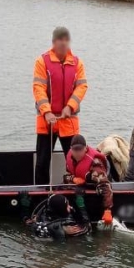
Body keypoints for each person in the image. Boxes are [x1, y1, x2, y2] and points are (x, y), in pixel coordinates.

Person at [33, 27, 89, 185]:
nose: (63, 43)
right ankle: (40, 194)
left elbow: (82, 87)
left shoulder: (77, 63)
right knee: (42, 162)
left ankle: (73, 193)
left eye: (66, 40)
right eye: (60, 40)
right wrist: (47, 112)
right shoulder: (42, 61)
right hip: (47, 121)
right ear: (53, 42)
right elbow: (38, 88)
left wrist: (69, 107)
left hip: (68, 121)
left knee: (74, 163)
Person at [64, 134, 114, 223]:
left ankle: (86, 218)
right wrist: (73, 178)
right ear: (71, 149)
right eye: (75, 149)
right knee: (63, 188)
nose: (78, 152)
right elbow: (66, 176)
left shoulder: (95, 163)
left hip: (96, 181)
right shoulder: (70, 158)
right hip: (81, 181)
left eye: (80, 149)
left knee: (79, 190)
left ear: (85, 148)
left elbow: (106, 186)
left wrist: (107, 210)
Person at [19, 190, 91, 240]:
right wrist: (81, 205)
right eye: (67, 205)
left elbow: (27, 222)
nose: (70, 207)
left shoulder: (40, 221)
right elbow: (87, 227)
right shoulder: (68, 228)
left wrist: (24, 207)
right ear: (62, 209)